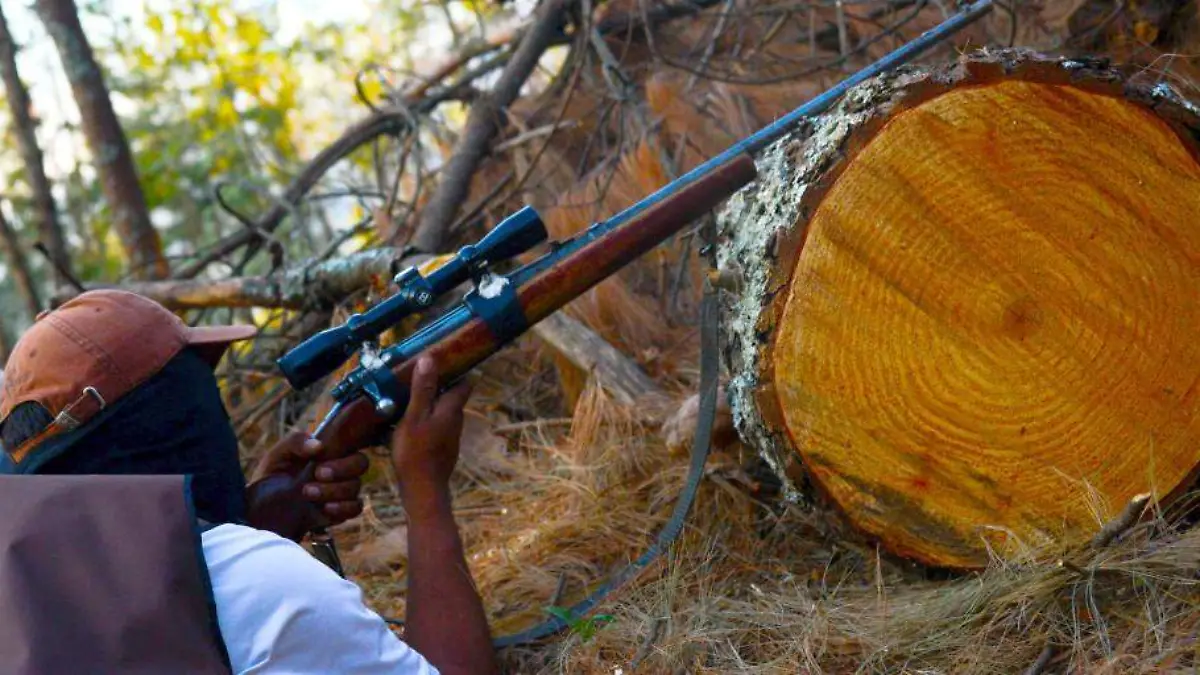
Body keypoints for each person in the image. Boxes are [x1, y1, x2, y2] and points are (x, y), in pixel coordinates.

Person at [0, 289, 499, 674]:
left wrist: (225, 522)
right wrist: (425, 488)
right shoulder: (255, 584)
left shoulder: (21, 595)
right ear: (181, 413)